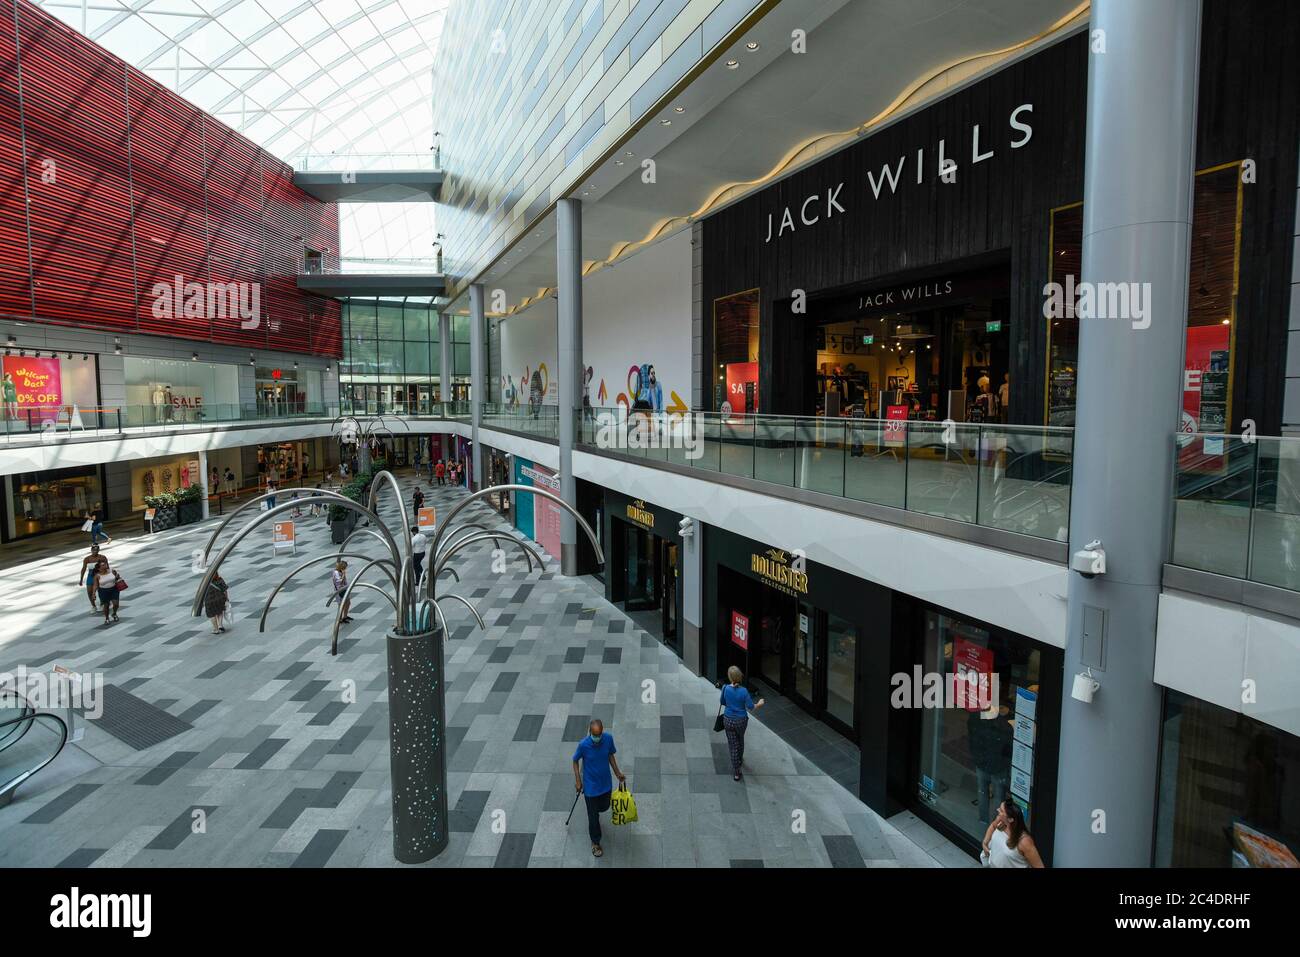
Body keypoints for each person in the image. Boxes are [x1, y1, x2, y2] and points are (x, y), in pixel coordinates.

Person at [571, 718, 625, 858]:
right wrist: (578, 780)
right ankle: (595, 842)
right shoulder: (583, 745)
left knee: (605, 806)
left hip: (605, 784)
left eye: (599, 734)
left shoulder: (608, 739)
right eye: (595, 735)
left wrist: (617, 773)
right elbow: (575, 761)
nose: (598, 738)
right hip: (590, 788)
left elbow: (610, 755)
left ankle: (595, 815)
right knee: (593, 816)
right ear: (590, 733)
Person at [720, 665, 765, 781]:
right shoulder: (744, 691)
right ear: (740, 677)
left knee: (732, 744)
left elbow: (722, 702)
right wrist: (759, 703)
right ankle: (739, 758)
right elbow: (751, 707)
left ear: (730, 677)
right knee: (740, 739)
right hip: (741, 721)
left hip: (728, 720)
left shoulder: (725, 688)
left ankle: (736, 771)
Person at [981, 798, 1045, 868]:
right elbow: (993, 826)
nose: (998, 810)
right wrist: (985, 842)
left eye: (1001, 810)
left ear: (1010, 819)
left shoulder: (1024, 841)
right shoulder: (1000, 821)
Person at [93, 559, 122, 624]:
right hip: (103, 591)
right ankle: (107, 618)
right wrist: (93, 594)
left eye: (105, 564)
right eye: (103, 565)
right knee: (106, 605)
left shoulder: (112, 571)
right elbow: (95, 585)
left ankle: (114, 614)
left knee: (116, 604)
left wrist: (117, 577)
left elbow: (117, 577)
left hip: (114, 589)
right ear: (99, 567)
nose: (105, 566)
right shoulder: (97, 575)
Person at [77, 544, 104, 612]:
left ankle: (102, 604)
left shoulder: (102, 557)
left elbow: (107, 567)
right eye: (94, 550)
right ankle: (93, 606)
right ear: (91, 550)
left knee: (100, 591)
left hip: (99, 576)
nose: (95, 551)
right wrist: (81, 579)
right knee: (89, 592)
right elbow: (83, 569)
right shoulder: (87, 559)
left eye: (97, 550)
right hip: (90, 577)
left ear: (99, 550)